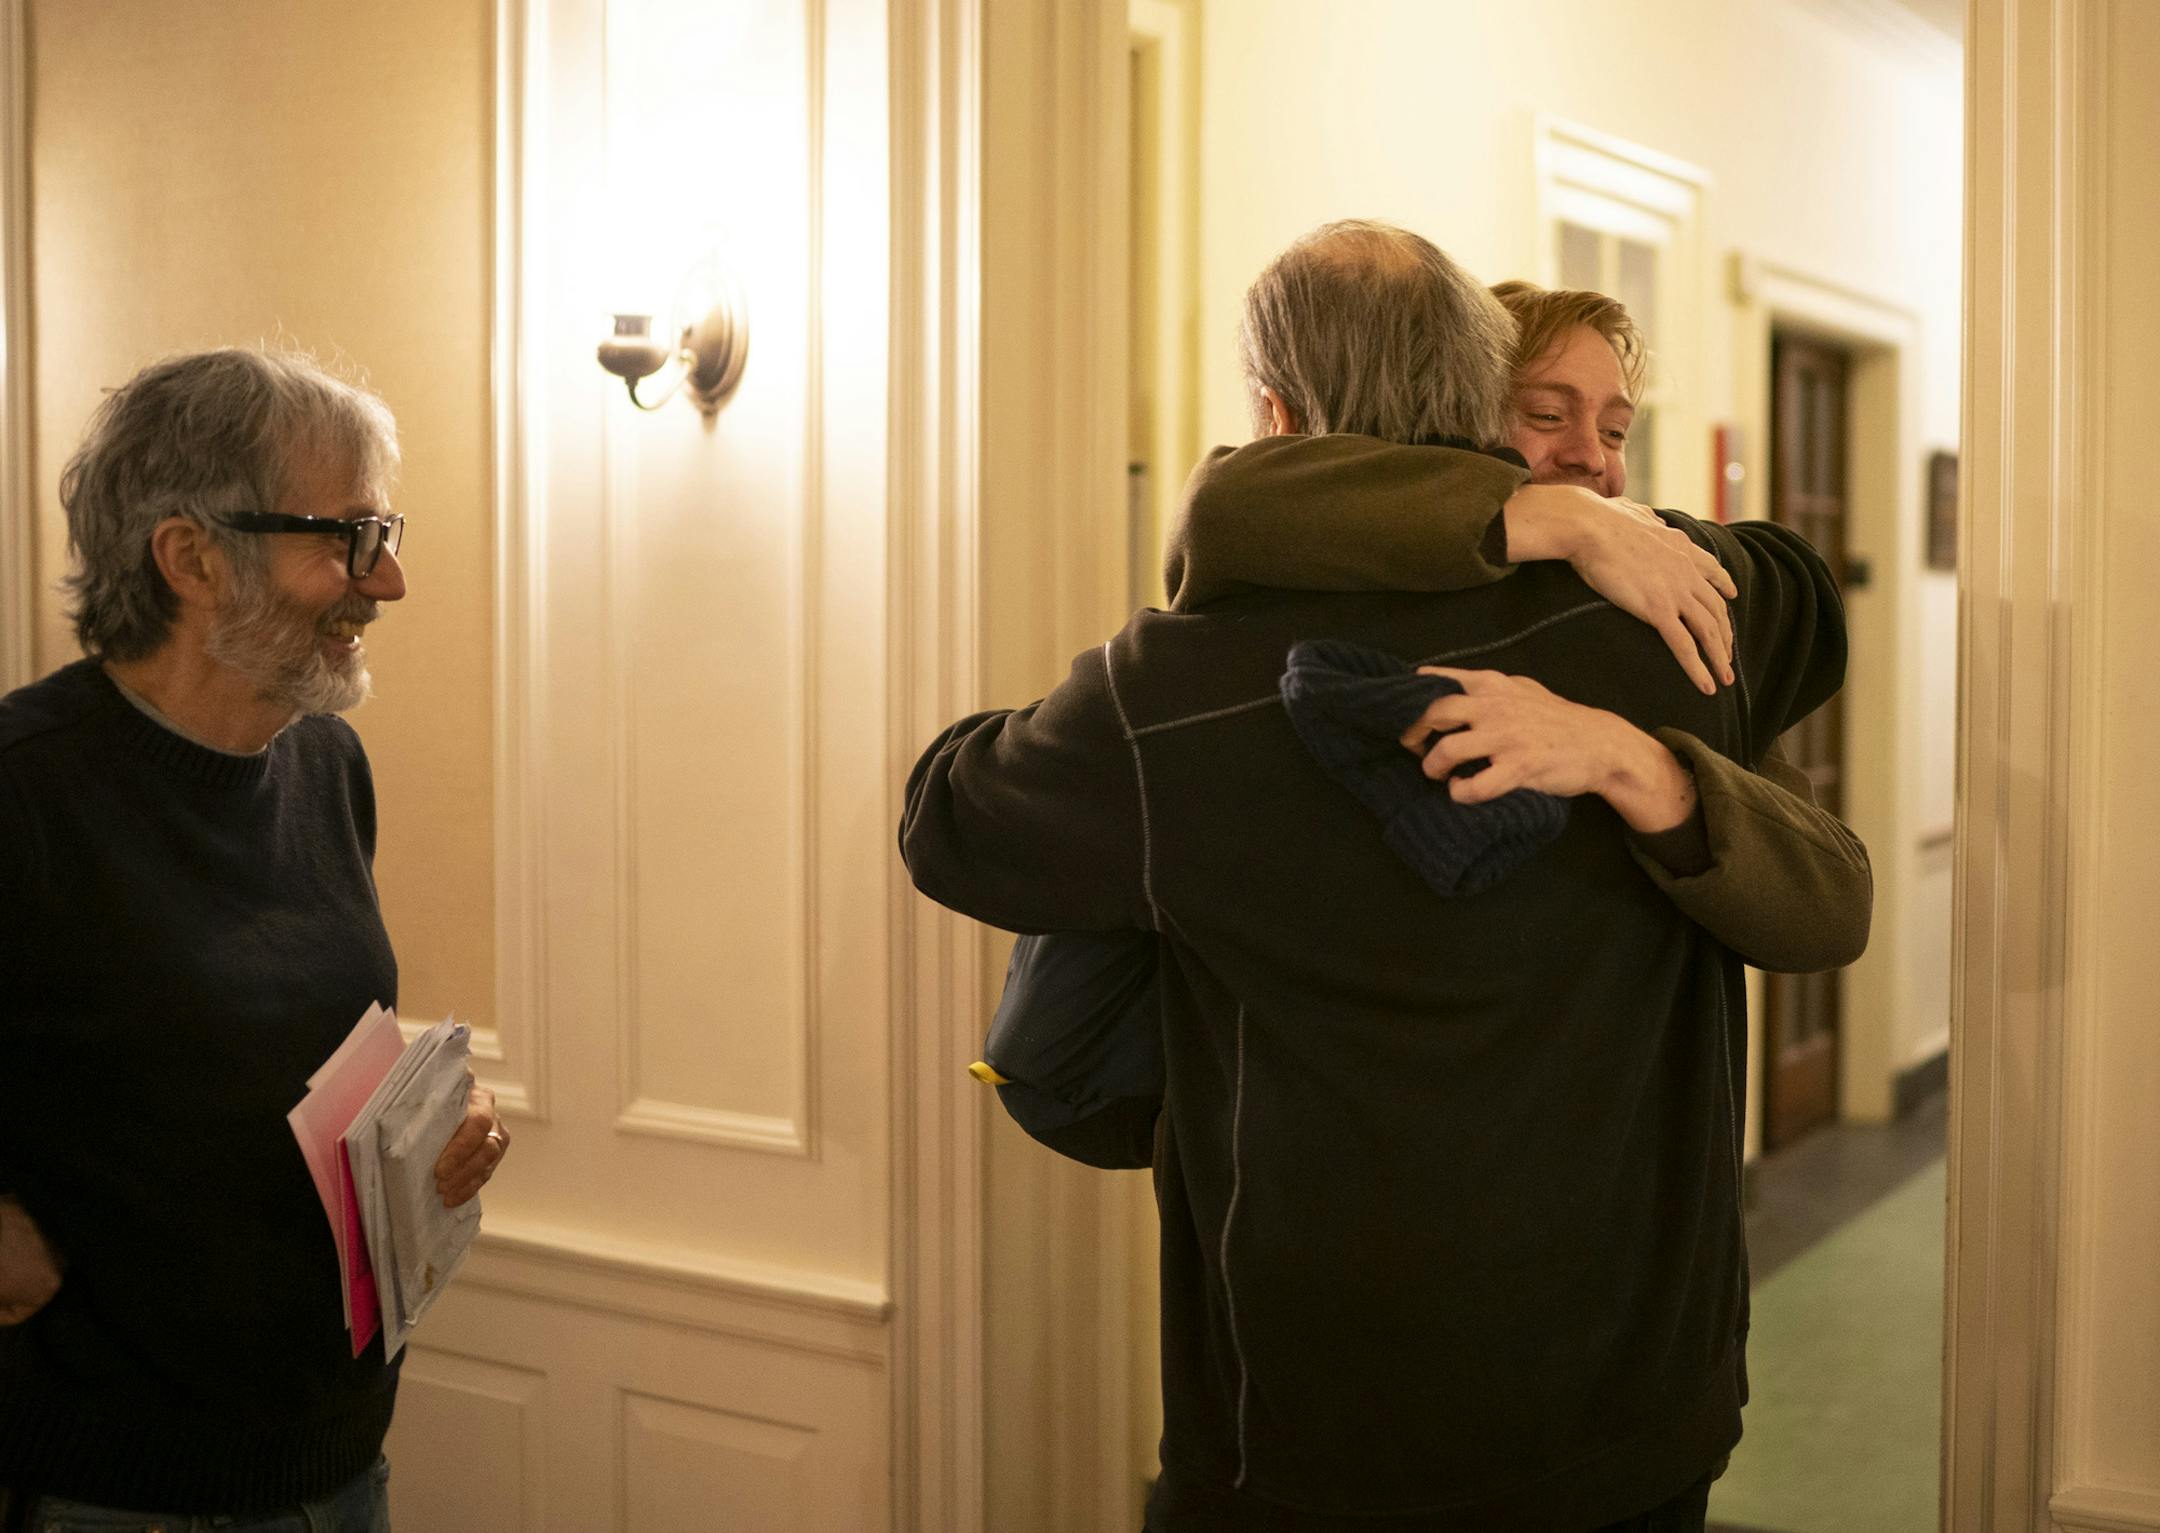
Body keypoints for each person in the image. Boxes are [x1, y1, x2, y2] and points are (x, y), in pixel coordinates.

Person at [902, 221, 1865, 1531]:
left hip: (1309, 1429)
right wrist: (1559, 514)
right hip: (1629, 1397)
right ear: (1484, 400)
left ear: (1274, 409)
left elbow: (946, 817)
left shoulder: (1165, 698)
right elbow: (1806, 586)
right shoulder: (1667, 608)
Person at [0, 349, 509, 1532]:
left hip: (335, 1468)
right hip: (115, 1499)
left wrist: (432, 1130)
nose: (384, 582)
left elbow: (275, 1056)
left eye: (383, 532)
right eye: (346, 536)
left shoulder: (324, 764)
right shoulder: (25, 791)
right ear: (189, 558)